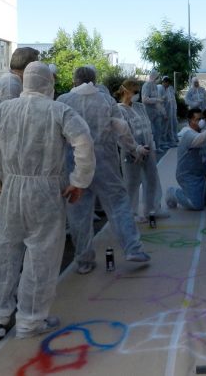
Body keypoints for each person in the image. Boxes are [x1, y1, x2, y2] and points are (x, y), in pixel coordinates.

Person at [0, 62, 96, 340]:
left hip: (11, 187)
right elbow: (83, 141)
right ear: (48, 83)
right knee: (41, 256)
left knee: (5, 253)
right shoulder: (59, 111)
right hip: (46, 191)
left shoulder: (3, 109)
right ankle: (30, 319)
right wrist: (79, 181)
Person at [58, 67, 151, 274]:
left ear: (74, 81)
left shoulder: (63, 101)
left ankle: (84, 260)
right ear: (95, 81)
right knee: (118, 204)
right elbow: (122, 130)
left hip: (74, 166)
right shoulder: (106, 100)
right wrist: (134, 148)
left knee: (78, 213)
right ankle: (132, 248)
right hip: (105, 164)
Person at [115, 79, 165, 222]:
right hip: (131, 153)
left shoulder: (139, 107)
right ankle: (132, 213)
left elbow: (147, 128)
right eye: (135, 91)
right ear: (125, 91)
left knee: (152, 179)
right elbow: (122, 134)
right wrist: (135, 149)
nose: (137, 94)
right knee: (132, 183)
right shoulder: (119, 110)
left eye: (138, 91)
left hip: (148, 149)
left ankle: (152, 209)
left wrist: (150, 144)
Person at [165, 108, 206, 210]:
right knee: (196, 205)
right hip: (188, 175)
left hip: (201, 171)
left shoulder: (198, 133)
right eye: (197, 119)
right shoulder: (187, 134)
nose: (201, 122)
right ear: (190, 121)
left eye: (202, 118)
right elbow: (203, 138)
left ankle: (204, 196)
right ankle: (173, 193)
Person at [141, 69, 166, 154]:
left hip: (156, 111)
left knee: (158, 130)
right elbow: (145, 99)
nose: (158, 79)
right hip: (148, 111)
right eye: (157, 77)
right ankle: (150, 148)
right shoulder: (146, 85)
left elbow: (157, 100)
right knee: (151, 131)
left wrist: (162, 111)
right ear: (154, 76)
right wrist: (156, 100)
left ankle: (157, 147)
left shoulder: (155, 86)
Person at [158, 76, 178, 148]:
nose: (168, 85)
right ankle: (161, 143)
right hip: (161, 113)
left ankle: (166, 141)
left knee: (168, 127)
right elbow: (159, 103)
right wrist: (164, 113)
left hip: (167, 112)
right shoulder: (160, 88)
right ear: (164, 82)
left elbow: (170, 102)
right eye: (167, 83)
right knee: (162, 128)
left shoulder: (166, 89)